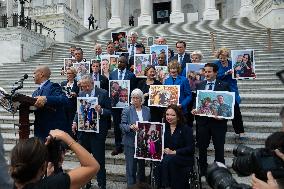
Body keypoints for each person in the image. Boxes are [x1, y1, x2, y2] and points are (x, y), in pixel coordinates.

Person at [9, 129, 100, 189]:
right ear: (42, 167)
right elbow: (93, 166)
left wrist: (47, 176)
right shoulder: (53, 184)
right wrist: (66, 137)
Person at [72, 75, 111, 189]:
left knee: (99, 161)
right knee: (84, 161)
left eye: (85, 86)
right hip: (84, 132)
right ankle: (86, 183)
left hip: (97, 133)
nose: (84, 88)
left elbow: (110, 111)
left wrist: (101, 110)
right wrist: (75, 122)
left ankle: (101, 184)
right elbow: (78, 111)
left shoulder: (103, 93)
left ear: (91, 84)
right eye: (82, 87)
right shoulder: (81, 94)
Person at [191, 63, 230, 176]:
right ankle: (202, 170)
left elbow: (228, 104)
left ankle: (220, 171)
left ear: (215, 72)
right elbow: (196, 101)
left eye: (209, 72)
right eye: (205, 72)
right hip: (202, 122)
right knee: (202, 148)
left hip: (218, 123)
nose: (207, 74)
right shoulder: (200, 85)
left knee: (219, 147)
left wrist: (223, 116)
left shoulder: (224, 85)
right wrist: (194, 108)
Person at [155, 104, 194, 189]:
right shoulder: (163, 128)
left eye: (173, 115)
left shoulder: (186, 129)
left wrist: (174, 152)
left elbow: (191, 148)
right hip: (167, 158)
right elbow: (158, 144)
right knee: (163, 162)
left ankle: (166, 185)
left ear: (178, 117)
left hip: (183, 158)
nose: (169, 117)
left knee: (169, 159)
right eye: (167, 114)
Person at [120, 88, 150, 187]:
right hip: (130, 142)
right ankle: (131, 186)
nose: (135, 100)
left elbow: (149, 124)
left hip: (143, 143)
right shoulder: (127, 110)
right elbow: (122, 125)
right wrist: (130, 127)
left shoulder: (147, 110)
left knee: (141, 166)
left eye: (137, 98)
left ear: (142, 99)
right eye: (133, 98)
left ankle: (141, 186)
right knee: (131, 167)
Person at [32, 65, 71, 141]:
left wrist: (46, 99)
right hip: (39, 131)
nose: (33, 76)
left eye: (34, 73)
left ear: (41, 74)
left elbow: (64, 99)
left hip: (51, 131)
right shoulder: (35, 92)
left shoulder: (53, 86)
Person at [214, 47, 245, 138]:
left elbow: (240, 72)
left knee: (235, 109)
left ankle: (240, 131)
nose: (222, 59)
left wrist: (238, 74)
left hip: (232, 87)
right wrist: (225, 74)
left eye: (224, 57)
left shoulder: (232, 63)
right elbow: (215, 76)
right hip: (221, 88)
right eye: (220, 58)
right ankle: (220, 131)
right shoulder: (216, 64)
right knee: (222, 109)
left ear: (227, 56)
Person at [109, 56, 137, 156]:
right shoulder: (112, 74)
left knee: (127, 125)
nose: (120, 63)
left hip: (127, 104)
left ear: (126, 64)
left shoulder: (131, 75)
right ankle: (118, 146)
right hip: (116, 105)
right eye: (119, 62)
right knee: (117, 126)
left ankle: (127, 145)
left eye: (122, 62)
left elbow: (133, 89)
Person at [61, 67, 80, 136]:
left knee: (72, 124)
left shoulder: (78, 84)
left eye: (70, 73)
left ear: (74, 74)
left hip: (74, 107)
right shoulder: (63, 83)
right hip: (64, 107)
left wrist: (76, 95)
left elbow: (81, 96)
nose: (68, 75)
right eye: (67, 73)